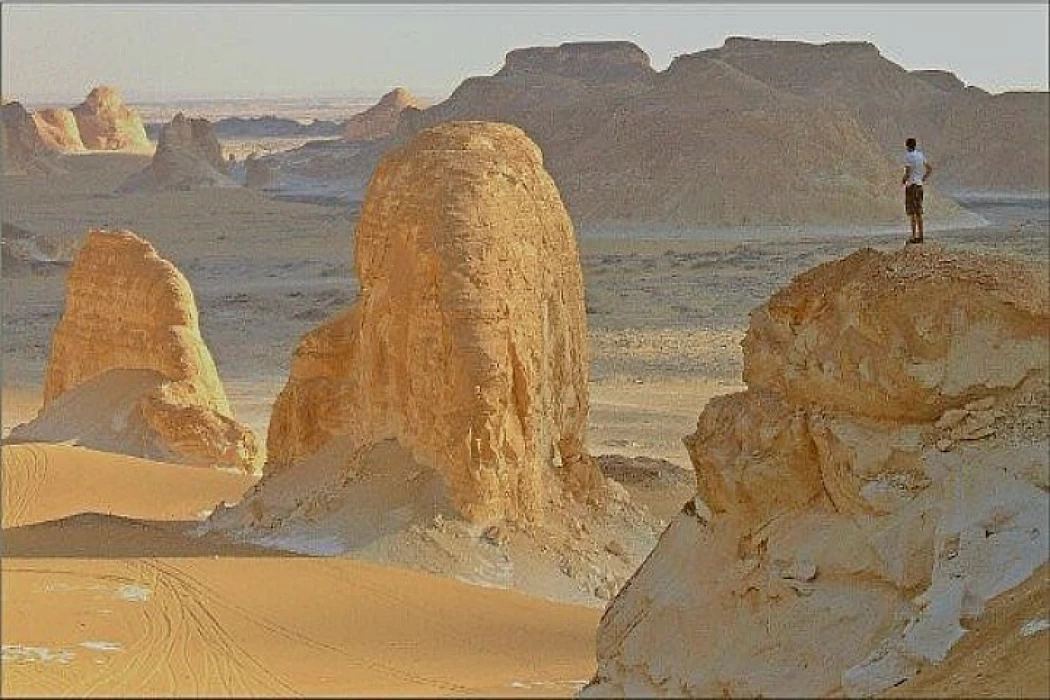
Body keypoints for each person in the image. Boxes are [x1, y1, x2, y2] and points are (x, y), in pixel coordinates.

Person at [902, 137, 933, 244]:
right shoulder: (920, 155)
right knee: (919, 212)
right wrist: (923, 178)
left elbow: (908, 172)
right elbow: (929, 168)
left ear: (907, 146)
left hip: (911, 186)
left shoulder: (908, 156)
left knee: (912, 213)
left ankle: (913, 236)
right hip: (919, 186)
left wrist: (903, 180)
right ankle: (921, 236)